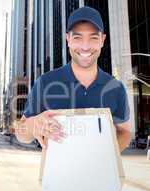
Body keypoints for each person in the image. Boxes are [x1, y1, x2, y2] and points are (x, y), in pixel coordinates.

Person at [14, 6, 131, 152]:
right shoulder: (45, 82)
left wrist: (108, 155)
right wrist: (34, 124)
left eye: (93, 37)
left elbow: (125, 132)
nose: (85, 46)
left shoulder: (116, 88)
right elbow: (21, 132)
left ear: (102, 40)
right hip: (56, 174)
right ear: (68, 39)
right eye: (77, 37)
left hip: (102, 174)